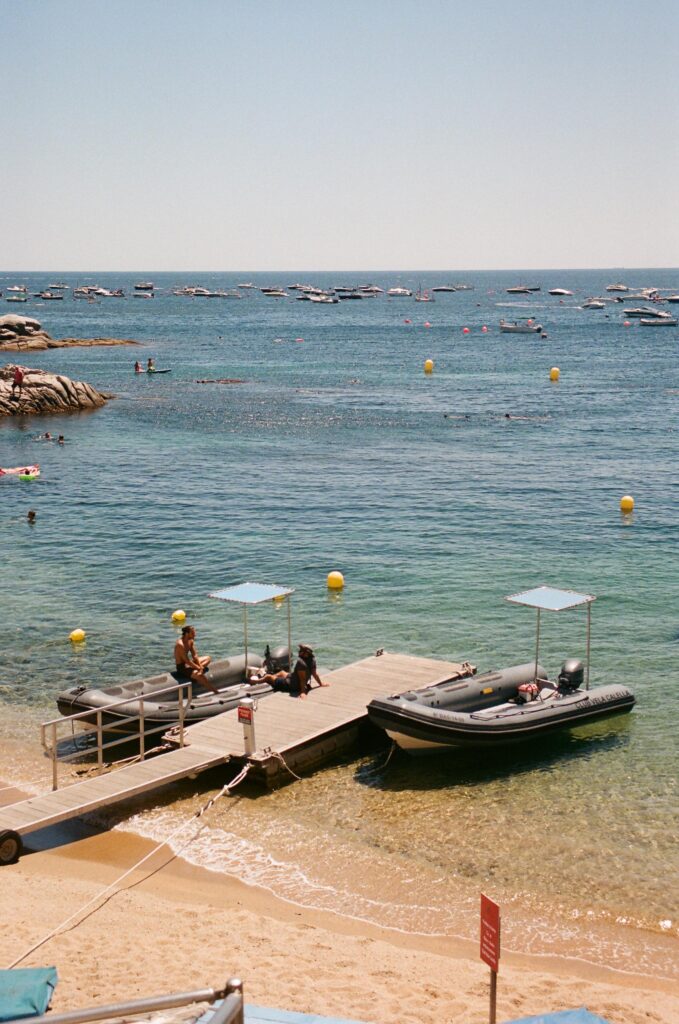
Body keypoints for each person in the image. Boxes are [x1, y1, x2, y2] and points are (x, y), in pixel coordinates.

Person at [261, 643, 329, 700]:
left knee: (269, 677)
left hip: (291, 685)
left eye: (301, 650)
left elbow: (302, 680)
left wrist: (303, 692)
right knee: (282, 672)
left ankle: (256, 681)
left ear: (306, 653)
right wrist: (320, 684)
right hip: (293, 679)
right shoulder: (312, 660)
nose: (299, 652)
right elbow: (314, 674)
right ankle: (274, 677)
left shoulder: (301, 662)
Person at [174, 625, 218, 693]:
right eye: (192, 633)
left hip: (188, 664)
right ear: (186, 634)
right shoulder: (180, 644)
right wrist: (199, 668)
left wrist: (199, 666)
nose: (195, 634)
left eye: (194, 633)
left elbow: (195, 655)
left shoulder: (190, 641)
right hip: (182, 667)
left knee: (208, 658)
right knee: (200, 676)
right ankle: (215, 691)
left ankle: (197, 670)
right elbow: (187, 661)